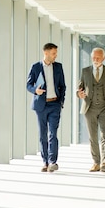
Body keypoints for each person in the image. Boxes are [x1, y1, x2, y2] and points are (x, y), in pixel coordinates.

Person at [77, 47, 105, 172]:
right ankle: (96, 162)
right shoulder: (85, 71)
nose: (95, 60)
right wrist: (78, 93)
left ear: (103, 58)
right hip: (89, 108)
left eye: (98, 58)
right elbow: (80, 87)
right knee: (93, 136)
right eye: (93, 58)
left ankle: (104, 162)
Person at [26, 43, 66, 172]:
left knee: (53, 133)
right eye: (54, 53)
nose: (56, 56)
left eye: (56, 53)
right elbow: (29, 84)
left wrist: (61, 102)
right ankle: (45, 162)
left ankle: (53, 161)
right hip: (41, 106)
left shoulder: (58, 67)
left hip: (54, 104)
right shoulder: (36, 67)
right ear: (46, 53)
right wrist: (35, 91)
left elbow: (62, 86)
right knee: (43, 134)